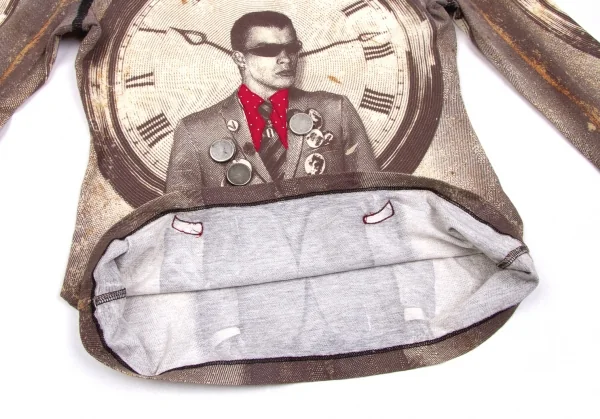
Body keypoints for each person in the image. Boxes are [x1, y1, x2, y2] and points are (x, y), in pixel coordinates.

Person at [165, 10, 379, 192]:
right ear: (240, 58)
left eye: (292, 48)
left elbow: (374, 196)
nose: (285, 59)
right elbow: (180, 217)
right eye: (268, 50)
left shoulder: (335, 110)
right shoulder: (195, 130)